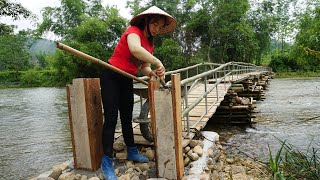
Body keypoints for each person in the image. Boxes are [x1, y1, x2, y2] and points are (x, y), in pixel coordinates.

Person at [100, 6, 177, 179]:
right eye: (155, 24)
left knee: (127, 116)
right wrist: (157, 62)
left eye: (160, 27)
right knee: (111, 118)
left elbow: (144, 66)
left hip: (127, 77)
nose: (157, 29)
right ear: (147, 21)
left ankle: (132, 151)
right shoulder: (133, 31)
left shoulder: (150, 44)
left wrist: (151, 72)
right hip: (111, 74)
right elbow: (135, 49)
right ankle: (106, 162)